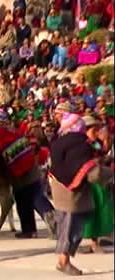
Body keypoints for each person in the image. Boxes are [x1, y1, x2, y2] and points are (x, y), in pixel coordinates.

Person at [0, 109, 56, 239]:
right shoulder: (11, 131)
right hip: (24, 167)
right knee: (22, 201)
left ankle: (56, 227)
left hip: (22, 170)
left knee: (36, 199)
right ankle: (29, 230)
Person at [49, 113, 113, 275]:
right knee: (71, 229)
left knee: (67, 227)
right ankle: (63, 262)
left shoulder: (60, 142)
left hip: (60, 189)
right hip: (74, 194)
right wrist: (109, 173)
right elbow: (91, 172)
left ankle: (63, 260)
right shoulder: (80, 145)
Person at [79, 115, 114, 254]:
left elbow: (99, 157)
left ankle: (95, 241)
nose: (97, 132)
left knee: (100, 211)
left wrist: (104, 157)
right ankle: (90, 242)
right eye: (95, 129)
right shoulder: (83, 144)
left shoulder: (95, 143)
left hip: (99, 182)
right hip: (89, 182)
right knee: (90, 213)